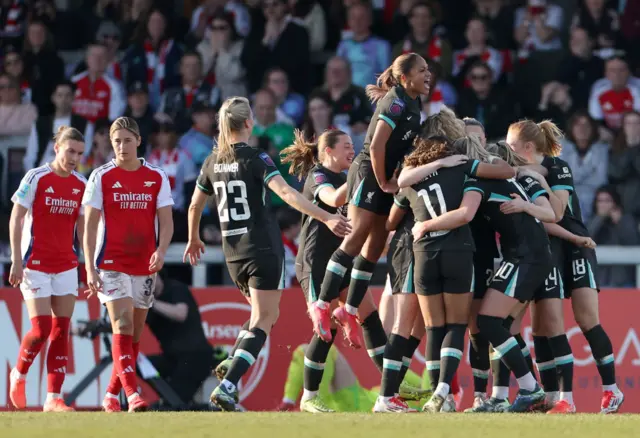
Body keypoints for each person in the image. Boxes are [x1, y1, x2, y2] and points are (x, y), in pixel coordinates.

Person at [183, 96, 350, 412]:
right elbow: (286, 194)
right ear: (249, 123)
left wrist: (193, 239)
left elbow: (194, 205)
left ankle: (233, 363)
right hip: (262, 247)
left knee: (261, 316)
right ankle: (229, 383)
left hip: (232, 253)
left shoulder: (211, 161)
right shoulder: (256, 157)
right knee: (265, 317)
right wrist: (327, 216)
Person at [410, 135, 552, 413]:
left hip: (526, 256)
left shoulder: (476, 182)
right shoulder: (505, 178)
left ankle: (531, 389)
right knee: (499, 324)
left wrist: (425, 225)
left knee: (487, 321)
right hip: (527, 254)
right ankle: (506, 395)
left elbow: (465, 214)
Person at [309, 53, 430, 349]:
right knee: (356, 237)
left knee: (375, 248)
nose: (429, 75)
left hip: (386, 176)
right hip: (370, 173)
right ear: (405, 77)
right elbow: (376, 145)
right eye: (422, 70)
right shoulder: (396, 101)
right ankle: (322, 305)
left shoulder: (415, 101)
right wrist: (385, 181)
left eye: (429, 70)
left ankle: (348, 310)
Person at [507, 119, 624, 413]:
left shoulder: (558, 167)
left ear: (528, 147)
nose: (508, 151)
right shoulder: (516, 172)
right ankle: (552, 397)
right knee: (543, 326)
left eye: (511, 146)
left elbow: (556, 213)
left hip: (575, 245)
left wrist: (532, 175)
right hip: (547, 249)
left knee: (586, 319)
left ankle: (611, 390)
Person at [399, 135, 515, 412]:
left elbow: (399, 189)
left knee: (433, 328)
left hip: (424, 255)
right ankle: (443, 391)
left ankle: (441, 396)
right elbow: (507, 171)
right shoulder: (462, 167)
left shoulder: (412, 179)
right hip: (457, 251)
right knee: (456, 326)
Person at [83, 116, 175, 413]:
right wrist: (88, 266)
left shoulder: (157, 176)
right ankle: (132, 394)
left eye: (126, 140)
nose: (121, 146)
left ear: (138, 141)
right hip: (110, 261)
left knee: (134, 335)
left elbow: (166, 220)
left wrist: (161, 251)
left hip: (144, 263)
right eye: (116, 141)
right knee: (121, 324)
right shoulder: (101, 176)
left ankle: (111, 393)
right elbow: (89, 226)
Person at [374, 153, 467, 413]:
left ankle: (424, 394)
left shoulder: (412, 182)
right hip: (410, 250)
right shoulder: (442, 178)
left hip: (414, 250)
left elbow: (392, 220)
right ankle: (386, 396)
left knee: (422, 329)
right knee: (406, 326)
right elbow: (391, 222)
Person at [8, 126, 87, 412]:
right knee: (41, 329)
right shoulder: (36, 177)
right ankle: (19, 373)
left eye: (79, 153)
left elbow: (82, 227)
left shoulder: (81, 183)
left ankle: (53, 398)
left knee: (61, 330)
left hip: (66, 265)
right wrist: (16, 259)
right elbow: (16, 217)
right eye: (70, 151)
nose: (74, 158)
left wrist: (88, 265)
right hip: (36, 263)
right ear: (57, 149)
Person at [279, 128, 353, 412]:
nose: (352, 150)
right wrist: (362, 172)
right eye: (346, 146)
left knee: (370, 316)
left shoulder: (346, 178)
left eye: (353, 146)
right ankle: (309, 397)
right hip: (315, 262)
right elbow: (333, 200)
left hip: (340, 260)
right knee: (324, 331)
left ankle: (390, 392)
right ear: (328, 151)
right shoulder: (319, 176)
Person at [145, 269, 215, 407]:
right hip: (172, 359)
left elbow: (180, 313)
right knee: (139, 364)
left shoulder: (175, 289)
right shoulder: (145, 307)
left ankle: (182, 402)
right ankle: (170, 395)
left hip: (195, 357)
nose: (146, 283)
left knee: (174, 403)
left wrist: (150, 302)